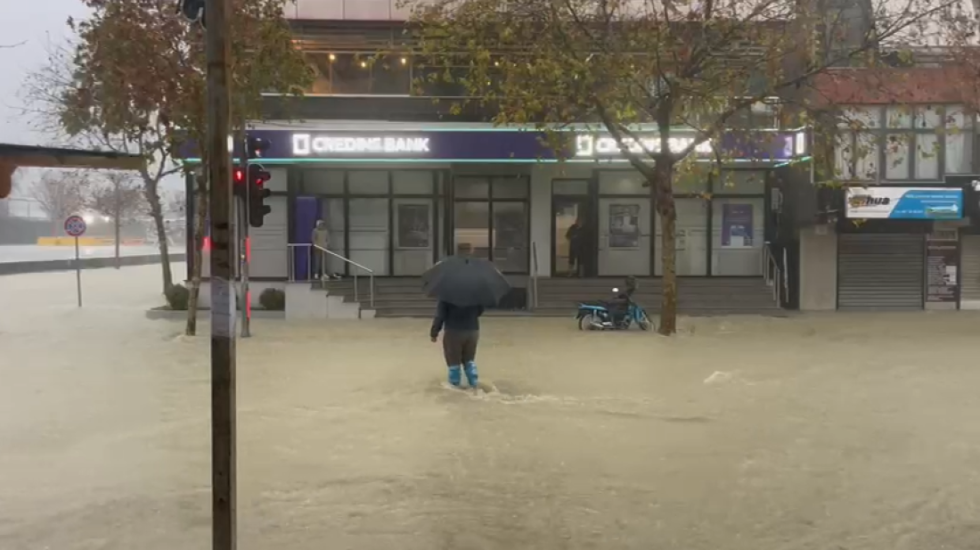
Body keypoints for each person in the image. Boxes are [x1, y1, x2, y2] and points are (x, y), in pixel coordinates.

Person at [431, 301, 484, 388]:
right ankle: (474, 384)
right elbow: (480, 310)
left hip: (453, 331)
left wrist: (434, 333)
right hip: (473, 330)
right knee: (469, 360)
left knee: (454, 362)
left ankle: (454, 388)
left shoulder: (446, 296)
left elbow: (440, 316)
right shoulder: (475, 295)